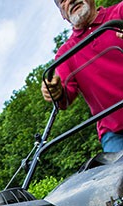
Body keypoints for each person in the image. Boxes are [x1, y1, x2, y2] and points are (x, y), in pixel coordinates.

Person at [41, 0, 123, 152]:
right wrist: (54, 91)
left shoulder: (119, 13)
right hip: (115, 132)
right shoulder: (65, 53)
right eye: (62, 1)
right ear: (62, 14)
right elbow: (65, 99)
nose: (70, 0)